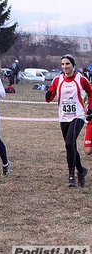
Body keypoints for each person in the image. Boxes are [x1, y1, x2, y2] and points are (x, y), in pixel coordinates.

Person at [46, 54, 92, 187]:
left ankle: (71, 176)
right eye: (63, 64)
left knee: (69, 143)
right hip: (64, 116)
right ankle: (82, 170)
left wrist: (90, 108)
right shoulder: (57, 80)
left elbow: (90, 93)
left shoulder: (81, 79)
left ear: (73, 65)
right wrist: (48, 95)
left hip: (78, 115)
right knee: (70, 145)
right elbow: (49, 98)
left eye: (67, 64)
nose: (65, 67)